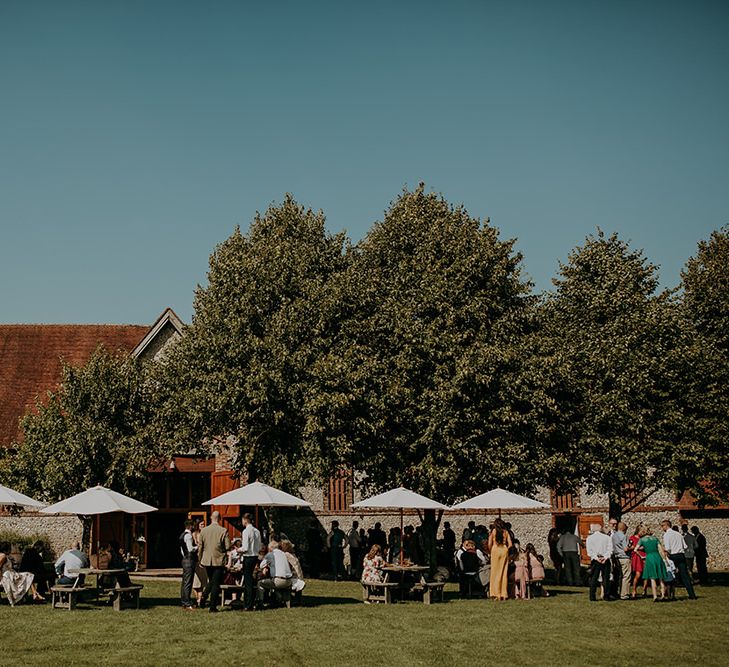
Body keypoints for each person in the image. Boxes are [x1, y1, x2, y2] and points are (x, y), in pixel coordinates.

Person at [197, 510, 231, 613]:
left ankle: (203, 597)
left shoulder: (204, 531)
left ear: (211, 518)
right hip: (219, 559)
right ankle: (212, 606)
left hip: (207, 559)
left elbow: (200, 547)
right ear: (220, 518)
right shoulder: (223, 530)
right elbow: (228, 546)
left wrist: (200, 559)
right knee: (216, 583)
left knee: (211, 580)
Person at [661, 519, 697, 600]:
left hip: (673, 555)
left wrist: (666, 555)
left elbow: (668, 548)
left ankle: (669, 594)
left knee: (670, 574)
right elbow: (685, 546)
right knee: (685, 576)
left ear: (666, 525)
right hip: (681, 555)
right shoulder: (678, 534)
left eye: (663, 526)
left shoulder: (667, 535)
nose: (662, 528)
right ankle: (692, 594)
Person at [257, 540, 293, 604]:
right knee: (273, 581)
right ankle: (279, 599)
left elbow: (261, 565)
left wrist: (268, 564)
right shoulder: (283, 553)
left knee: (260, 583)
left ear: (270, 548)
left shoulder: (270, 554)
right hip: (289, 581)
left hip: (278, 581)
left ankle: (261, 602)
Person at [637, 526, 667, 601]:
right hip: (657, 556)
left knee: (652, 578)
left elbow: (635, 549)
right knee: (661, 578)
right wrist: (665, 559)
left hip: (649, 557)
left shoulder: (642, 540)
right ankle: (663, 595)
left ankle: (655, 596)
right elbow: (661, 549)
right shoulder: (655, 539)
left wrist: (641, 556)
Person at [240, 512, 262, 611]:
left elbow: (245, 548)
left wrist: (238, 550)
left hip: (248, 556)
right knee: (252, 580)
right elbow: (259, 546)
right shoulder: (257, 531)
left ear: (245, 520)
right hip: (255, 556)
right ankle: (252, 601)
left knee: (247, 581)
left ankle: (247, 604)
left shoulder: (246, 531)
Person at [586, 524, 612, 602]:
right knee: (606, 578)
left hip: (595, 559)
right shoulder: (607, 538)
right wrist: (605, 557)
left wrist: (596, 558)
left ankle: (592, 596)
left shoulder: (589, 538)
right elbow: (610, 549)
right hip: (605, 559)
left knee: (594, 577)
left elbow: (589, 551)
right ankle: (606, 595)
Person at [487, 518, 512, 601]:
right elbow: (510, 544)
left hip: (495, 550)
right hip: (504, 550)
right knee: (504, 572)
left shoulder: (493, 531)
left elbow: (489, 543)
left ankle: (496, 593)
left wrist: (491, 551)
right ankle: (504, 594)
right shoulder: (506, 532)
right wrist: (506, 549)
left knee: (495, 572)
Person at [179, 519, 197, 610]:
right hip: (189, 560)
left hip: (184, 559)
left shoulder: (182, 535)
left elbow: (182, 550)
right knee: (188, 582)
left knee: (185, 581)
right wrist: (197, 547)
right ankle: (187, 602)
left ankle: (184, 600)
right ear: (190, 526)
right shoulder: (189, 536)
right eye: (193, 525)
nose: (194, 527)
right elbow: (190, 549)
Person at [612, 521, 631, 600]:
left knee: (619, 576)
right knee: (626, 576)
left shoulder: (614, 536)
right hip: (624, 557)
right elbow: (626, 548)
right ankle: (624, 594)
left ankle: (618, 591)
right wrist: (632, 547)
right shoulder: (623, 536)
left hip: (617, 557)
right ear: (624, 528)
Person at [627, 524, 646, 598]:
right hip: (637, 557)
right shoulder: (632, 538)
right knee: (638, 574)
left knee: (645, 575)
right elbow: (629, 547)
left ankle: (644, 590)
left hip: (644, 556)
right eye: (642, 531)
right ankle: (634, 590)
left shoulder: (644, 538)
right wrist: (637, 547)